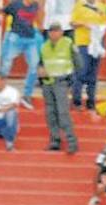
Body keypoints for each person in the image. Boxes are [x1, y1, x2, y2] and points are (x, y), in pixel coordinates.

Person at [38, 22, 78, 154]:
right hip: (47, 82)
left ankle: (71, 142)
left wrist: (72, 83)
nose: (53, 33)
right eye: (51, 31)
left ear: (61, 32)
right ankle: (55, 140)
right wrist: (40, 72)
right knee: (50, 113)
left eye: (56, 31)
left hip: (62, 82)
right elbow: (41, 63)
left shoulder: (68, 43)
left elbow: (78, 64)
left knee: (63, 112)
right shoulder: (44, 46)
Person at [0, 0, 42, 109]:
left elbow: (36, 18)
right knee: (6, 64)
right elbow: (3, 12)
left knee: (34, 66)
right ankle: (0, 91)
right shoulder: (15, 4)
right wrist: (7, 32)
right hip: (16, 37)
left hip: (30, 39)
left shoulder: (35, 5)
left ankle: (27, 95)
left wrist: (38, 30)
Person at [70, 0, 106, 110]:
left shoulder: (101, 6)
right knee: (81, 72)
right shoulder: (79, 5)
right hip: (83, 43)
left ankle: (91, 101)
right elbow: (72, 23)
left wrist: (102, 44)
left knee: (93, 74)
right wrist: (84, 24)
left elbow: (104, 25)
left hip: (96, 44)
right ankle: (76, 101)